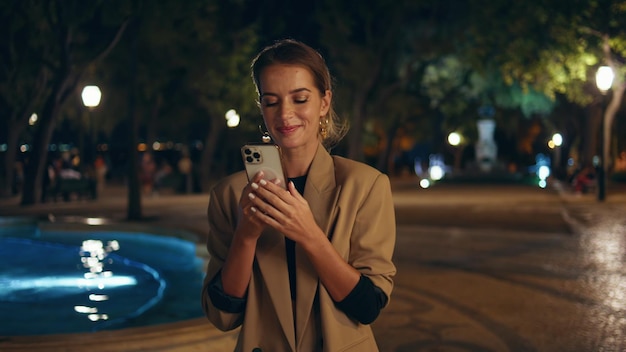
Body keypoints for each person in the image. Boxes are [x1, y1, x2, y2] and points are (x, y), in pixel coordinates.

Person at [201, 39, 396, 351]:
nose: (285, 114)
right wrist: (246, 236)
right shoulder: (230, 194)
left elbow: (368, 307)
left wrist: (309, 234)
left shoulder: (366, 185)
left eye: (300, 98)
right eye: (271, 101)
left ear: (324, 102)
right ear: (261, 107)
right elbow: (223, 316)